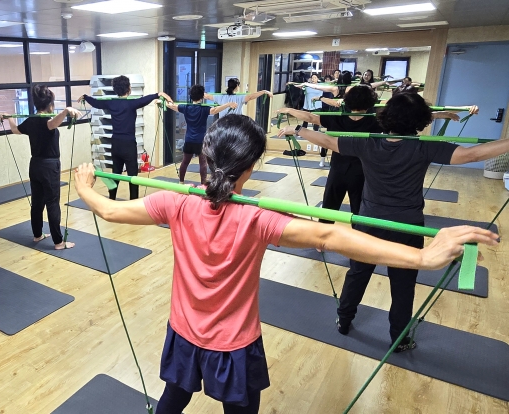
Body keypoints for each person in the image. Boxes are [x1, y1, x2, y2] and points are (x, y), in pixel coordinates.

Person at [75, 114, 498, 414]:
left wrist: (84, 187)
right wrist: (421, 256)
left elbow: (110, 211)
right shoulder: (257, 218)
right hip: (233, 345)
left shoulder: (175, 203)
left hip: (184, 333)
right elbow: (329, 236)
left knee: (174, 398)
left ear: (206, 156)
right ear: (251, 167)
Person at [278, 93, 501, 352]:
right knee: (403, 284)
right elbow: (473, 154)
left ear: (385, 117)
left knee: (358, 273)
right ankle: (399, 338)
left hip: (369, 222)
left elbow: (327, 140)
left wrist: (298, 130)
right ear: (421, 121)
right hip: (406, 226)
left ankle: (344, 320)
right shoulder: (425, 146)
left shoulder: (368, 143)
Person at [278, 85, 382, 218]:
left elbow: (311, 118)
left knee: (328, 212)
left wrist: (289, 110)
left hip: (341, 171)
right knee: (359, 214)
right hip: (360, 172)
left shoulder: (339, 118)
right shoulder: (375, 121)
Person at [0, 85, 82, 250]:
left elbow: (15, 130)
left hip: (35, 165)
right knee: (52, 203)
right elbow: (52, 124)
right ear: (50, 105)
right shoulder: (47, 121)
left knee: (37, 202)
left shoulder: (31, 121)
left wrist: (9, 117)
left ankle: (37, 234)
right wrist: (66, 111)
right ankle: (59, 242)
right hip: (49, 167)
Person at [79, 76, 173, 200]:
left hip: (116, 144)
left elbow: (96, 103)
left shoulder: (111, 103)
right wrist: (158, 94)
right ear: (129, 88)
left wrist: (85, 97)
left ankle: (111, 200)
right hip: (129, 145)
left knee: (115, 175)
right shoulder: (132, 103)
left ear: (115, 89)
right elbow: (145, 99)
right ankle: (133, 202)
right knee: (132, 177)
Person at [165, 84, 237, 184]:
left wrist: (164, 101)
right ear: (202, 96)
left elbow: (171, 106)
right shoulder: (204, 109)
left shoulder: (185, 107)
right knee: (203, 163)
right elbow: (215, 110)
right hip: (201, 141)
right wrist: (228, 104)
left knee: (185, 162)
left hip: (189, 140)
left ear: (191, 96)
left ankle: (181, 182)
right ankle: (203, 184)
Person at [300, 71, 354, 165]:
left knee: (328, 138)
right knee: (343, 138)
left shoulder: (335, 88)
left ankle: (322, 161)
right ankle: (327, 160)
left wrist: (306, 84)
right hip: (344, 116)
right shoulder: (350, 88)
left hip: (334, 115)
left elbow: (317, 87)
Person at [204, 77, 272, 118]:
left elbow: (207, 96)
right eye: (239, 85)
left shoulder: (220, 97)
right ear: (237, 86)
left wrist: (199, 92)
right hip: (235, 124)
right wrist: (264, 91)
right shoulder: (240, 97)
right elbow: (251, 97)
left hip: (223, 123)